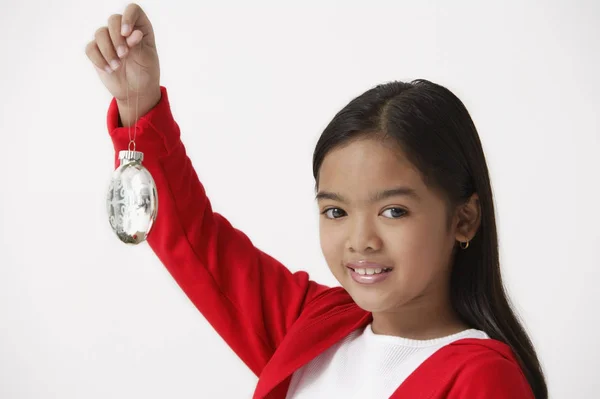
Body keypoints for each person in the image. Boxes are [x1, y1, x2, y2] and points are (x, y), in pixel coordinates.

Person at [85, 4, 548, 398]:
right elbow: (194, 240)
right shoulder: (314, 324)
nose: (360, 240)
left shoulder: (482, 377)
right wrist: (139, 105)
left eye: (393, 211)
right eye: (336, 211)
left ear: (463, 220)